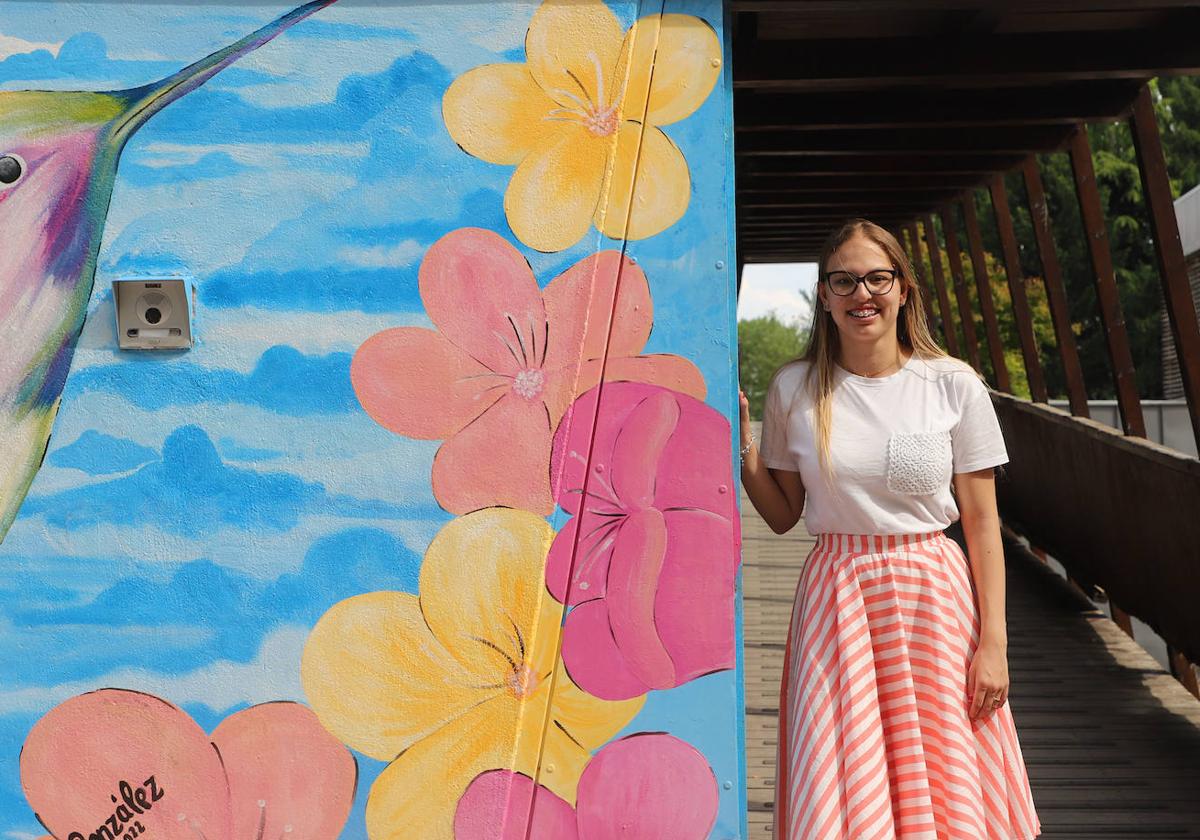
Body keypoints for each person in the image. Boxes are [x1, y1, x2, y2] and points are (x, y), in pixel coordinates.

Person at [738, 219, 1041, 839]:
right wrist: (741, 450)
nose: (861, 295)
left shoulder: (952, 384)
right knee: (847, 778)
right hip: (838, 600)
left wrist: (994, 644)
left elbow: (983, 523)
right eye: (843, 281)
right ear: (823, 296)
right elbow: (781, 514)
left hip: (935, 599)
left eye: (877, 278)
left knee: (944, 774)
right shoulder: (794, 388)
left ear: (904, 289)